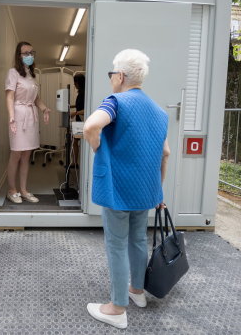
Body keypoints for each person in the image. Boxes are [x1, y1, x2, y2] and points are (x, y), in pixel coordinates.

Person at [83, 49, 171, 329]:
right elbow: (165, 153)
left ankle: (117, 308)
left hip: (118, 189)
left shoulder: (116, 102)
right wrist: (158, 190)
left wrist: (100, 149)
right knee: (137, 240)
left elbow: (90, 127)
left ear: (120, 76)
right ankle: (137, 291)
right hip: (145, 190)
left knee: (116, 245)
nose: (111, 80)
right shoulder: (159, 111)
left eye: (112, 75)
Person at [5, 41, 51, 204]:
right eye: (25, 53)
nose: (29, 55)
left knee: (27, 154)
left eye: (31, 52)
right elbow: (10, 96)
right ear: (19, 56)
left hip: (31, 116)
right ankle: (12, 190)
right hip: (18, 115)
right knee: (16, 153)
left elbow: (36, 98)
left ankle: (23, 190)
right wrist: (11, 116)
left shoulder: (32, 75)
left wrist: (45, 108)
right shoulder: (13, 73)